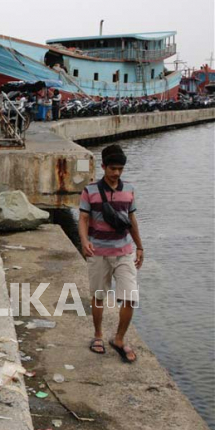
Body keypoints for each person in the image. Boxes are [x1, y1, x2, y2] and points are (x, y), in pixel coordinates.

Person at [78, 144, 144, 363]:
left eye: (120, 169)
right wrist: (84, 241)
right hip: (98, 252)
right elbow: (84, 218)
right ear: (103, 166)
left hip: (124, 251)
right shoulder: (90, 191)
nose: (116, 173)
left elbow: (131, 219)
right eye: (112, 168)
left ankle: (119, 338)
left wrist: (140, 246)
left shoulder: (129, 190)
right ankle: (97, 335)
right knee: (98, 296)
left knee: (130, 297)